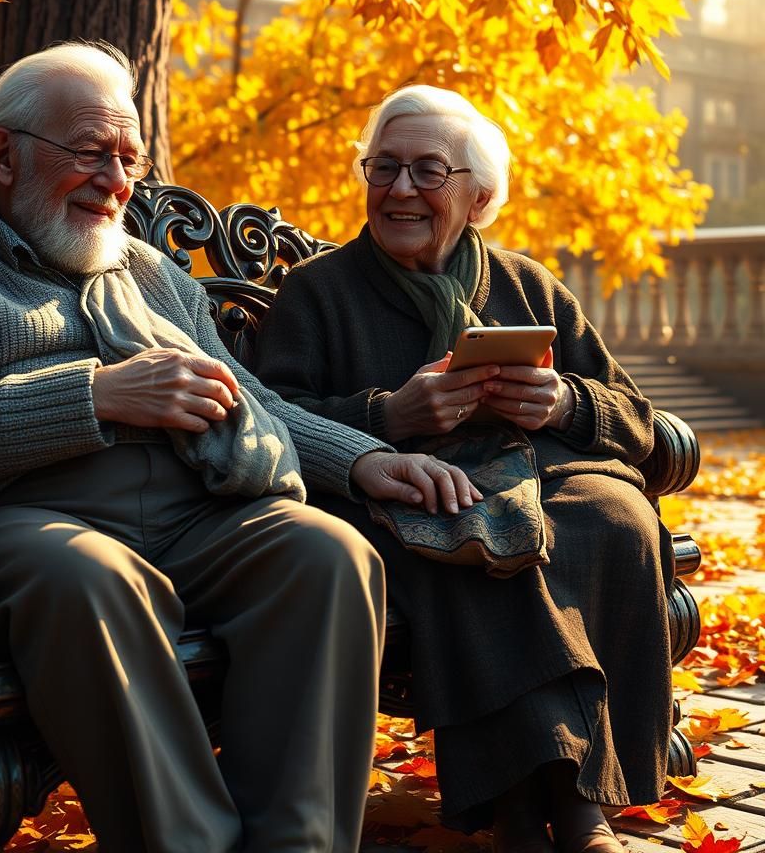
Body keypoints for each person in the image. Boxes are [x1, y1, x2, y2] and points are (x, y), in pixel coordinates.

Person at [0, 42, 481, 853]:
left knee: (327, 554)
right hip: (22, 520)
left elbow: (253, 401)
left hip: (193, 517)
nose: (117, 180)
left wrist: (362, 459)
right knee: (92, 575)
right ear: (6, 156)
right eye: (92, 152)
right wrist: (97, 394)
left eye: (129, 159)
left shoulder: (152, 274)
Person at [254, 84, 673, 853]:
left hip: (546, 475)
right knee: (471, 528)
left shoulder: (526, 284)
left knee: (616, 516)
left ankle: (573, 799)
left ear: (478, 197)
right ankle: (534, 806)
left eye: (427, 171)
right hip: (404, 491)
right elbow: (273, 417)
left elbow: (637, 419)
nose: (400, 190)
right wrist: (389, 418)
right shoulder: (318, 292)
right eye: (384, 168)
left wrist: (564, 402)